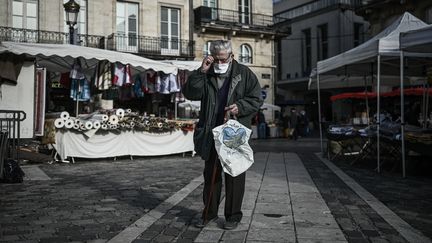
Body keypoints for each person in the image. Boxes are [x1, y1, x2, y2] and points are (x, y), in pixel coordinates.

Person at [182, 40, 263, 230]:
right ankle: (208, 214)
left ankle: (233, 216)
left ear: (231, 56)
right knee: (211, 175)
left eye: (222, 59)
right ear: (211, 56)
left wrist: (240, 106)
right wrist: (201, 71)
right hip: (210, 132)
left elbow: (256, 98)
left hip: (233, 131)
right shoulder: (207, 72)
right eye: (215, 59)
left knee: (234, 175)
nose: (219, 63)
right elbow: (190, 93)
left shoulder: (244, 73)